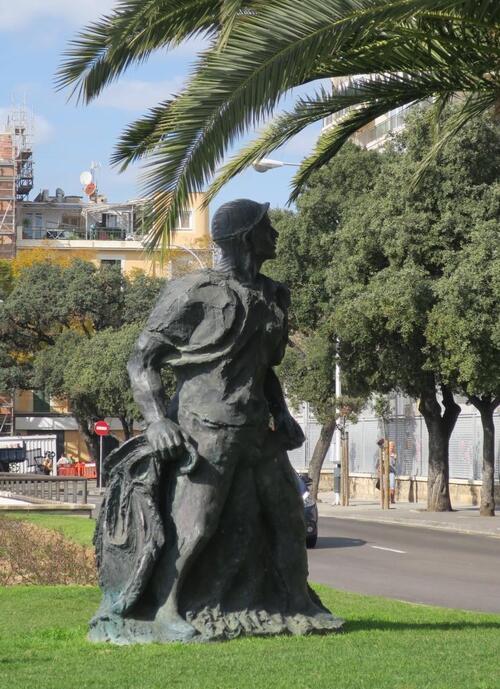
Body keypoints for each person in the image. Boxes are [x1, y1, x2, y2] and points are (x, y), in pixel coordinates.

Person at [90, 199, 342, 644]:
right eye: (267, 227)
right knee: (196, 525)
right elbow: (141, 360)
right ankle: (167, 610)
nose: (275, 235)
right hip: (205, 430)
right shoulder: (193, 291)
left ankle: (297, 602)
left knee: (286, 518)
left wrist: (281, 413)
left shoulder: (275, 295)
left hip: (258, 430)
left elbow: (263, 369)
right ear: (246, 238)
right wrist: (155, 421)